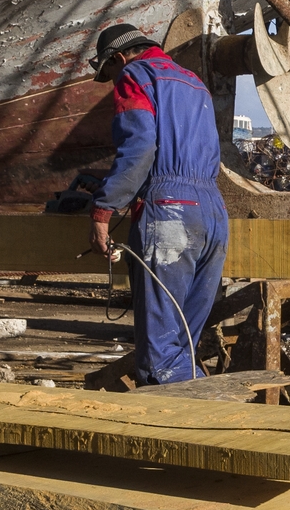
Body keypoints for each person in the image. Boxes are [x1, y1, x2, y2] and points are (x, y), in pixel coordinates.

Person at [87, 22, 228, 384]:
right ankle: (197, 430)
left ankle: (166, 433)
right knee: (184, 343)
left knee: (161, 354)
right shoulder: (194, 82)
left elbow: (139, 148)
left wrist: (104, 209)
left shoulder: (136, 75)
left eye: (112, 71)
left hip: (170, 213)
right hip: (212, 213)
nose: (114, 81)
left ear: (119, 57)